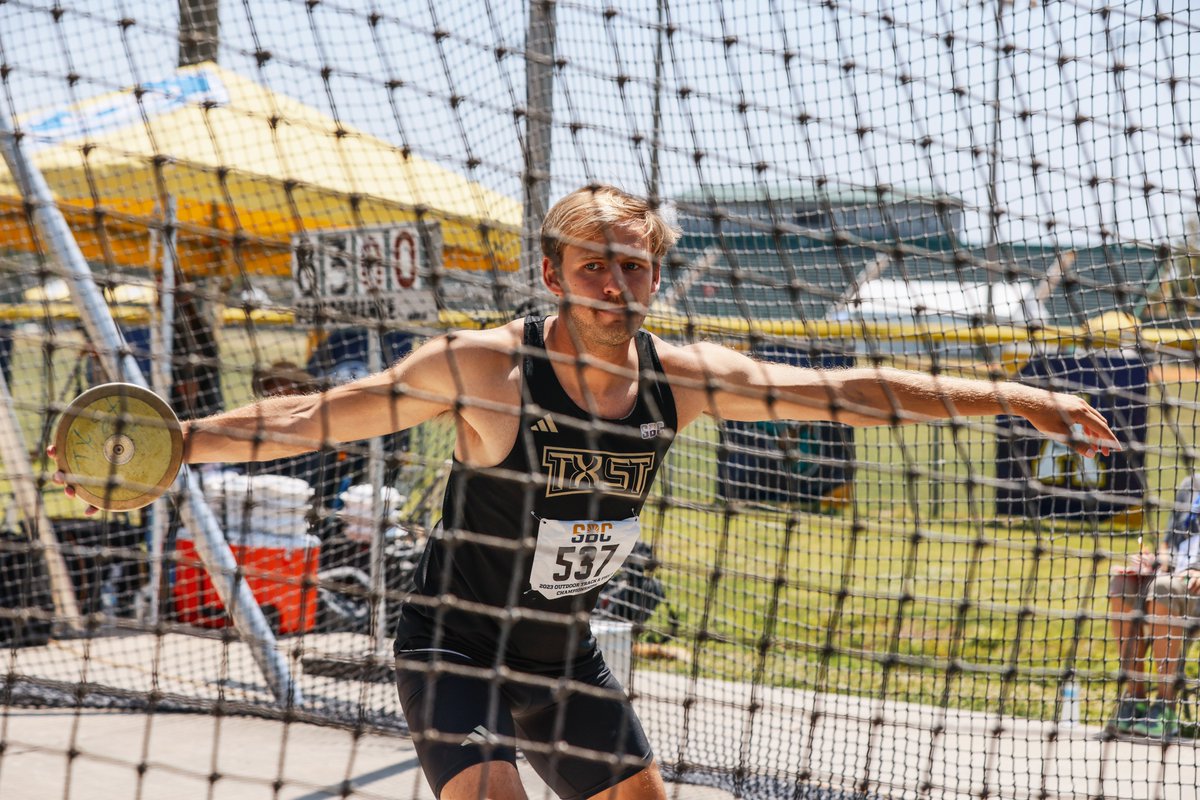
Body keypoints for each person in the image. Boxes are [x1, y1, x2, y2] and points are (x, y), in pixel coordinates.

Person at [55, 185, 1119, 800]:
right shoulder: (484, 365)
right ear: (556, 270)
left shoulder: (685, 376)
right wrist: (177, 442)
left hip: (564, 646)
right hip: (456, 638)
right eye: (596, 266)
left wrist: (1012, 396)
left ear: (660, 274)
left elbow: (844, 391)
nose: (617, 286)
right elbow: (312, 416)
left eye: (636, 267)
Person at [1107, 475, 1200, 740]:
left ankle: (1166, 707)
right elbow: (1169, 542)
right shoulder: (1191, 484)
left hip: (1193, 585)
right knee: (1122, 582)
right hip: (1175, 576)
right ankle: (1134, 702)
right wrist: (1154, 563)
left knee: (1162, 588)